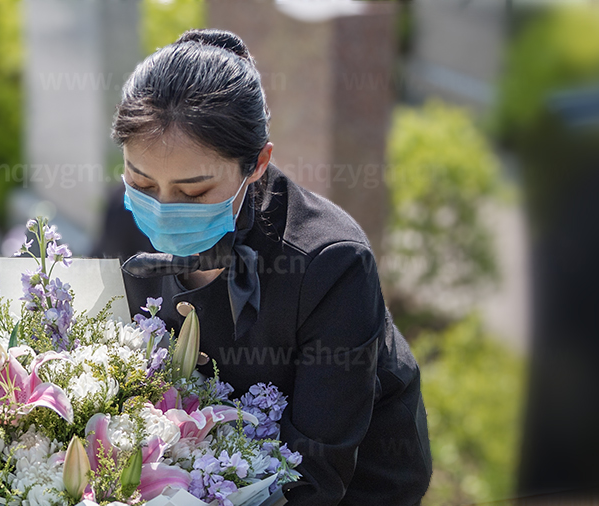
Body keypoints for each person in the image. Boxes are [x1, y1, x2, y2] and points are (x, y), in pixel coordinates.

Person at [100, 29, 432, 505]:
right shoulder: (123, 217)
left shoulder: (330, 263)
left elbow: (318, 470)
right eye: (141, 181)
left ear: (257, 163)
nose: (164, 207)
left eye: (194, 192)